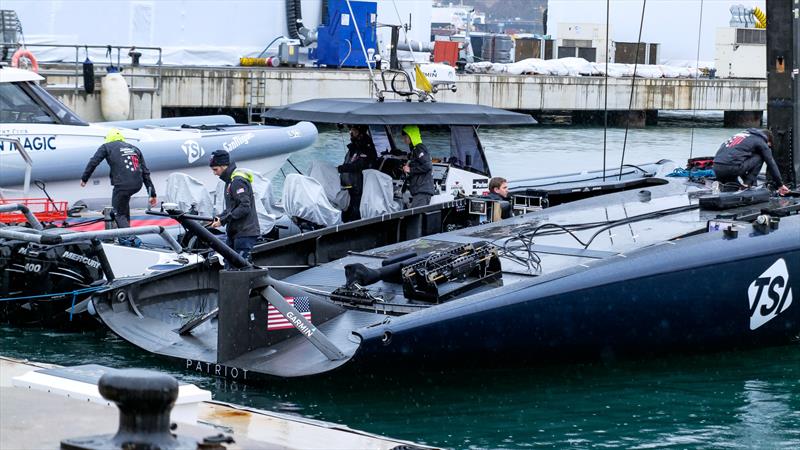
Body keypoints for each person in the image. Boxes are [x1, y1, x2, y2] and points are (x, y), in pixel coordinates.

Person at [80, 129, 157, 229]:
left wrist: (84, 178)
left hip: (122, 184)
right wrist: (152, 194)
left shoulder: (106, 147)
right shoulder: (135, 148)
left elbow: (94, 162)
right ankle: (127, 234)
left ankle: (128, 237)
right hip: (137, 184)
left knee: (117, 213)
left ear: (108, 139)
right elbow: (145, 172)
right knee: (123, 205)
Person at [208, 149, 260, 265]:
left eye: (215, 169)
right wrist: (219, 217)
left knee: (238, 268)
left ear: (223, 166)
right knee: (229, 264)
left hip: (245, 233)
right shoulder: (229, 181)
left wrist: (224, 220)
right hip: (235, 233)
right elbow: (231, 208)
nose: (214, 173)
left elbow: (245, 207)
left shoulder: (237, 182)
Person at [712, 128, 790, 195]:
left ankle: (736, 185)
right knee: (761, 156)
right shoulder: (760, 140)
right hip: (731, 168)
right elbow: (771, 163)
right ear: (767, 140)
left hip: (717, 168)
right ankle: (747, 184)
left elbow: (738, 158)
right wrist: (780, 185)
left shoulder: (742, 135)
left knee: (733, 189)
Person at [338, 125, 377, 221]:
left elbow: (359, 165)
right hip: (349, 187)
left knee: (355, 213)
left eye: (354, 131)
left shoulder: (367, 148)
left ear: (361, 133)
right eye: (351, 131)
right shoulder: (354, 147)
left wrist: (341, 168)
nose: (351, 133)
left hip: (359, 188)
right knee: (346, 213)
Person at [401, 125, 435, 207]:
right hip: (419, 191)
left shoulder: (419, 148)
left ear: (412, 136)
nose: (404, 139)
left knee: (415, 216)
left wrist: (410, 170)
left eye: (406, 137)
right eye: (403, 137)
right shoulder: (414, 150)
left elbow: (428, 166)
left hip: (422, 191)